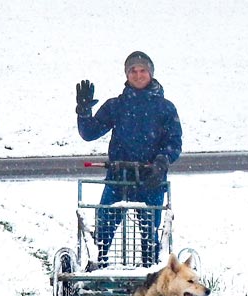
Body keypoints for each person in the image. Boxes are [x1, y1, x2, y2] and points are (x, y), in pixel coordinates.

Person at [75, 51, 182, 282]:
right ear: (127, 74)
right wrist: (83, 111)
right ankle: (98, 273)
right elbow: (89, 133)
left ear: (151, 74)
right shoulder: (117, 106)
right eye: (133, 70)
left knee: (148, 233)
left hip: (151, 179)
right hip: (117, 177)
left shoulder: (166, 108)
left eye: (142, 70)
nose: (138, 74)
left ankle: (150, 278)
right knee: (104, 227)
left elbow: (175, 142)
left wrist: (162, 161)